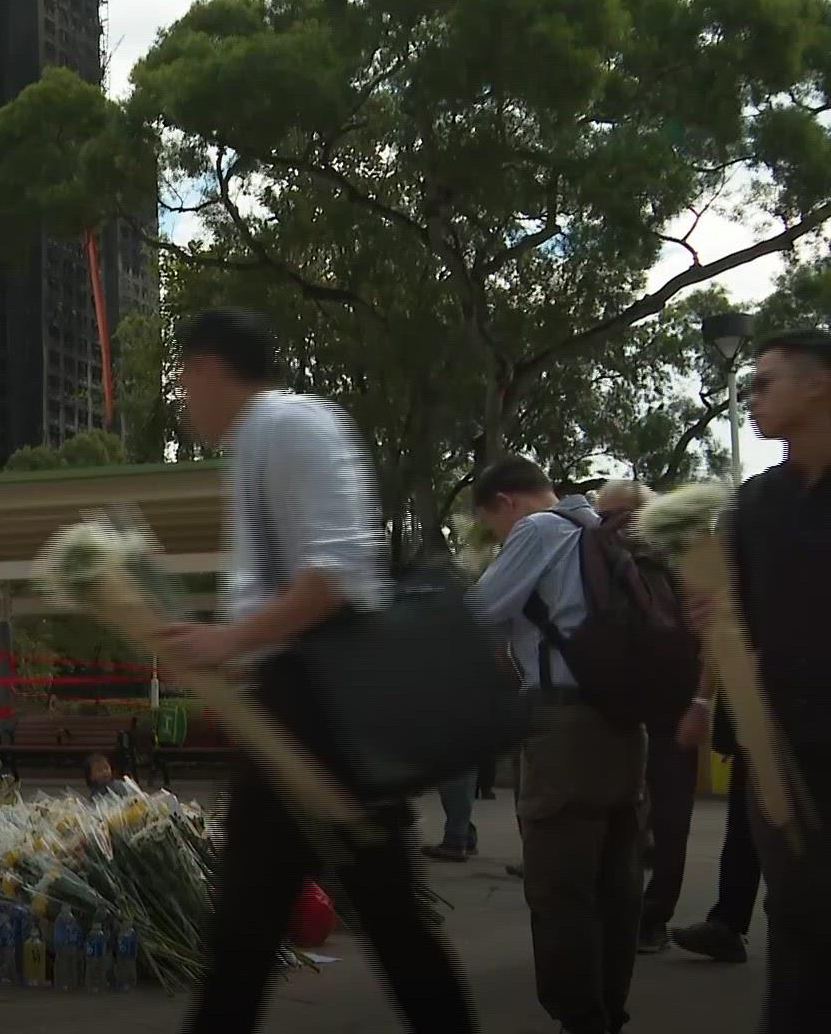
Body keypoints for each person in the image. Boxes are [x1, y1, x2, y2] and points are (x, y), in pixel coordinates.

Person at [159, 308, 477, 1034]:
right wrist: (229, 654)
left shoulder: (292, 426)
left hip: (323, 704)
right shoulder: (258, 442)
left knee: (312, 919)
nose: (184, 397)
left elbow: (336, 572)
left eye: (183, 379)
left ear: (207, 367)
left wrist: (230, 641)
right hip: (296, 702)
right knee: (285, 918)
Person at [687, 328, 831, 1031]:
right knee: (795, 915)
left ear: (818, 384)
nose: (751, 397)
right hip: (780, 747)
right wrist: (707, 620)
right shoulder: (758, 502)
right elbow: (725, 610)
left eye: (765, 382)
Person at [470, 457, 644, 1034]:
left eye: (491, 524)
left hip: (564, 727)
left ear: (505, 502)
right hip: (622, 722)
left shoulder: (539, 529)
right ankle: (608, 1010)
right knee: (615, 879)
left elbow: (477, 615)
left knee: (560, 885)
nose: (498, 536)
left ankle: (580, 1018)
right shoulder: (599, 528)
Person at [595, 479, 714, 954]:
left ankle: (653, 915)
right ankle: (617, 911)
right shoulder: (599, 565)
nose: (614, 525)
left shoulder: (684, 564)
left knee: (670, 818)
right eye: (605, 516)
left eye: (622, 514)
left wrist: (701, 703)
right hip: (618, 709)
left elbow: (712, 637)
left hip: (673, 708)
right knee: (614, 816)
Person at [670, 697, 760, 964]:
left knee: (746, 829)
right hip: (762, 714)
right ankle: (727, 925)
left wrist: (701, 704)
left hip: (787, 709)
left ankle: (728, 925)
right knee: (744, 827)